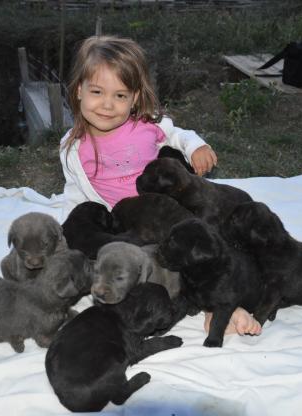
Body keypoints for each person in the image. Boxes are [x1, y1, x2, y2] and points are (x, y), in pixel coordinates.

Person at [59, 35, 262, 337]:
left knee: (202, 247)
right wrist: (69, 233)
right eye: (97, 92)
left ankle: (223, 307)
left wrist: (196, 147)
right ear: (79, 90)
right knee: (143, 269)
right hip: (127, 224)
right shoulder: (73, 147)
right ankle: (206, 307)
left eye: (120, 96)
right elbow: (76, 195)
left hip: (166, 211)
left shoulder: (146, 125)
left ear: (135, 97)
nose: (107, 105)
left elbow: (179, 134)